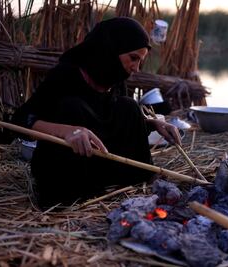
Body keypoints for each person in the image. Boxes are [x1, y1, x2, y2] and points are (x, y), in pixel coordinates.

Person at [13, 17, 181, 209]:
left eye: (140, 61)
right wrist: (66, 131)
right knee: (73, 107)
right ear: (110, 49)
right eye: (133, 58)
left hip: (101, 162)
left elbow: (105, 119)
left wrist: (153, 124)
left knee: (129, 106)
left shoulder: (114, 77)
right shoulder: (65, 74)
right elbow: (20, 120)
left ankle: (133, 180)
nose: (136, 68)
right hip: (68, 171)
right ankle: (72, 196)